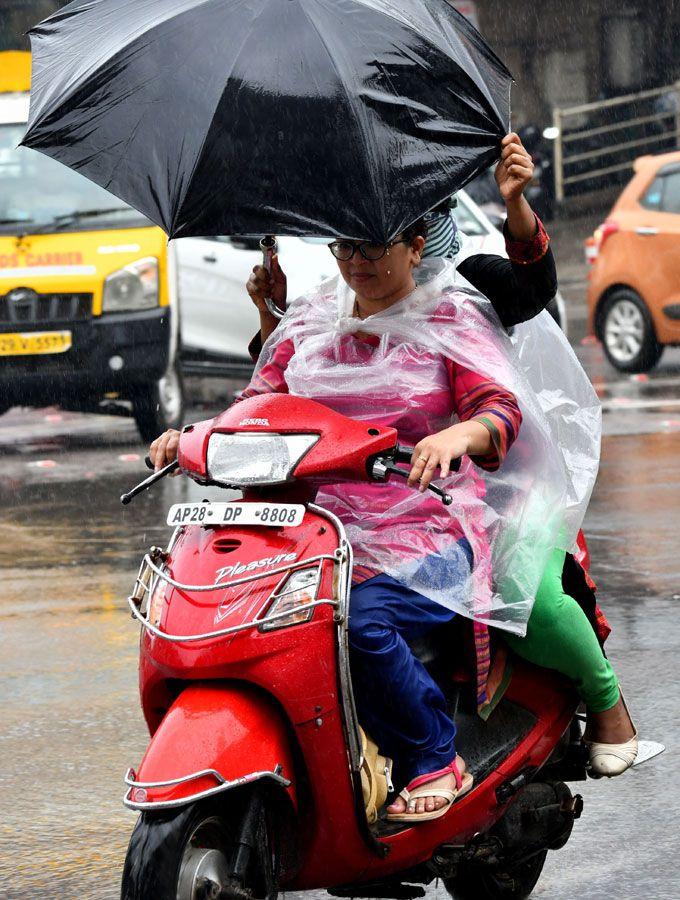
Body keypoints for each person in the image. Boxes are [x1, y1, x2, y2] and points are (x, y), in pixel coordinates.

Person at [242, 131, 638, 778]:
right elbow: (269, 398)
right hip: (347, 515)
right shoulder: (323, 317)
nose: (356, 262)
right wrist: (274, 315)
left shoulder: (465, 298)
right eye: (344, 244)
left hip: (479, 493)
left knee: (527, 604)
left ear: (420, 241)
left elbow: (529, 298)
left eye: (374, 244)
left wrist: (515, 204)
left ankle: (602, 701)